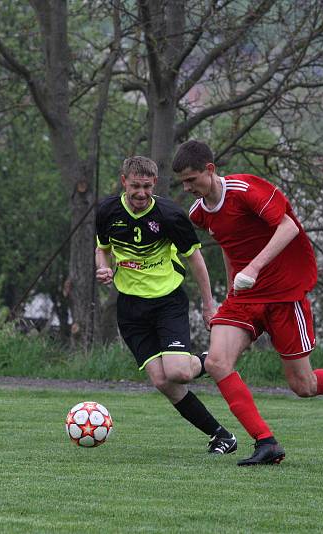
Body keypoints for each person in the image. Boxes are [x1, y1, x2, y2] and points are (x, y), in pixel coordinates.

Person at [172, 140, 323, 467]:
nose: (187, 187)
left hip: (283, 293)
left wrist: (253, 267)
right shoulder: (199, 214)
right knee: (217, 363)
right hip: (245, 299)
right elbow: (229, 244)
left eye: (192, 179)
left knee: (303, 386)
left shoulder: (245, 189)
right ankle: (266, 442)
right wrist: (230, 292)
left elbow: (288, 227)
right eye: (182, 182)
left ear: (210, 170)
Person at [95, 155, 237, 455]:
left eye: (147, 186)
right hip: (131, 309)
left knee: (179, 373)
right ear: (124, 182)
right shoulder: (107, 211)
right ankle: (221, 435)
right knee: (161, 380)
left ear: (154, 184)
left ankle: (211, 359)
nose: (141, 193)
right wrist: (103, 268)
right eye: (135, 186)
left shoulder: (170, 214)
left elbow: (196, 260)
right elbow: (102, 249)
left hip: (167, 302)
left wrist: (209, 306)